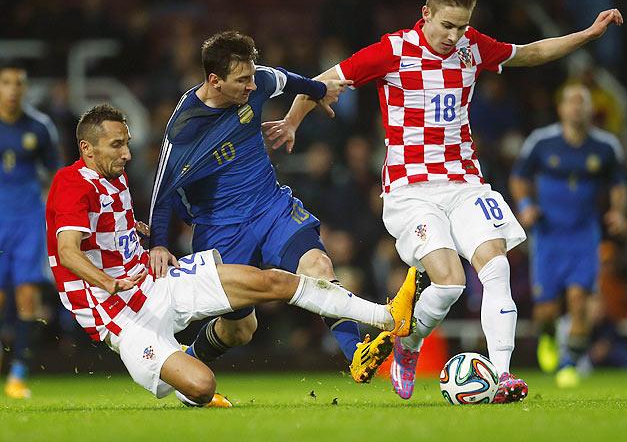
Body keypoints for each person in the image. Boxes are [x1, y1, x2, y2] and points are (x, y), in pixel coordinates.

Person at [270, 0, 623, 402]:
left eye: (462, 26)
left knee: (497, 266)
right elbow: (325, 80)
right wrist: (292, 120)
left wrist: (586, 34)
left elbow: (528, 53)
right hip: (410, 190)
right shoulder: (393, 51)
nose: (455, 36)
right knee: (451, 283)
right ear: (426, 15)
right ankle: (409, 345)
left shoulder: (472, 47)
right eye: (448, 26)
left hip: (464, 182)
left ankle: (503, 376)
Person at [45, 104, 418, 406]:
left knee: (271, 280)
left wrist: (136, 233)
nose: (126, 153)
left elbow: (105, 232)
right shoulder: (70, 183)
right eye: (116, 146)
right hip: (122, 318)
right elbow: (67, 252)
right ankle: (184, 380)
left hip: (156, 284)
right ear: (86, 149)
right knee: (202, 386)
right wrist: (110, 282)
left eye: (126, 143)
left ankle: (387, 316)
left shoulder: (113, 177)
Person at [148, 30, 401, 383]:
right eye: (242, 80)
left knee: (317, 263)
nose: (252, 86)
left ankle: (356, 355)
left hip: (271, 207)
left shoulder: (258, 80)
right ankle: (179, 371)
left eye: (252, 76)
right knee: (241, 329)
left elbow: (293, 80)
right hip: (221, 229)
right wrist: (159, 243)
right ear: (214, 81)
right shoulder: (185, 129)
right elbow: (162, 194)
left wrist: (316, 95)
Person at [510, 83, 627, 387]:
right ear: (561, 108)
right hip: (548, 235)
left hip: (583, 235)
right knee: (546, 310)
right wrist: (525, 206)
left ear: (591, 109)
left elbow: (618, 184)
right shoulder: (542, 142)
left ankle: (569, 363)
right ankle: (548, 336)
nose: (578, 107)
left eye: (583, 102)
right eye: (572, 101)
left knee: (579, 299)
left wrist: (618, 211)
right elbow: (520, 177)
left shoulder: (605, 146)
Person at [0, 64, 61, 399]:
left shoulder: (39, 127)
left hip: (28, 220)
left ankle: (19, 374)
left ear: (25, 88)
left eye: (18, 83)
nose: (12, 89)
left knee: (27, 296)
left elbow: (57, 175)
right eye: (6, 82)